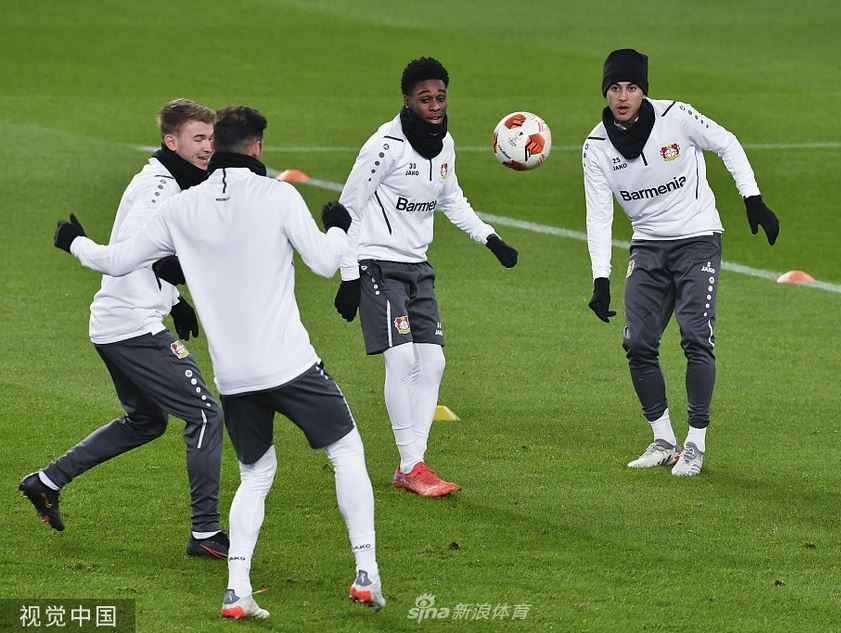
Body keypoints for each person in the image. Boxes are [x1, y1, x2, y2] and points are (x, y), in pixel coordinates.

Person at [52, 106, 385, 617]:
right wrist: (338, 228)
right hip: (291, 366)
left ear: (217, 145)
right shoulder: (278, 195)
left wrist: (74, 241)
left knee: (256, 476)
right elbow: (324, 262)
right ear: (256, 147)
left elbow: (116, 261)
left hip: (234, 378)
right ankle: (365, 573)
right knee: (345, 452)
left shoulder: (181, 207)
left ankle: (237, 591)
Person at [20, 98, 229, 558]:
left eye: (212, 138)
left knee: (146, 421)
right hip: (132, 327)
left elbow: (153, 256)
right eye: (198, 138)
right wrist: (75, 242)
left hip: (121, 321)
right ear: (171, 141)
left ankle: (46, 481)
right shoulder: (160, 190)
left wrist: (175, 300)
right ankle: (205, 533)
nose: (208, 147)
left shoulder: (175, 181)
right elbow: (120, 259)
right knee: (205, 415)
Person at [583, 48, 779, 476]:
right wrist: (601, 278)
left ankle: (695, 443)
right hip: (647, 247)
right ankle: (663, 439)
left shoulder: (677, 116)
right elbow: (598, 215)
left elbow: (727, 142)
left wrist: (753, 199)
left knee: (695, 337)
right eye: (615, 88)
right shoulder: (596, 146)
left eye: (631, 87)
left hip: (697, 241)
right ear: (605, 92)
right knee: (637, 343)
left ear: (643, 91)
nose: (622, 96)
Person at [332, 56, 519, 497]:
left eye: (440, 98)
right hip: (377, 264)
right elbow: (347, 209)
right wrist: (349, 276)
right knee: (401, 361)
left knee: (433, 363)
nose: (434, 107)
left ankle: (412, 464)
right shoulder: (384, 146)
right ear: (407, 100)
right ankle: (412, 464)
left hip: (418, 268)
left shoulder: (444, 143)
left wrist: (490, 238)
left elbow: (451, 198)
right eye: (425, 99)